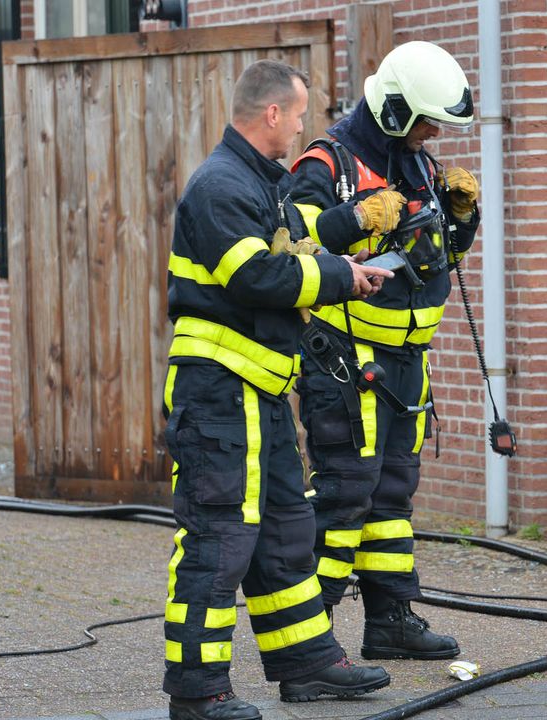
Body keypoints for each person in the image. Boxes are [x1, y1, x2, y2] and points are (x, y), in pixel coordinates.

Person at [160, 60, 395, 720]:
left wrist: (346, 256)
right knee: (218, 539)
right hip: (218, 396)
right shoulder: (220, 186)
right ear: (270, 114)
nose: (300, 127)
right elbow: (256, 277)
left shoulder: (259, 182)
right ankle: (198, 692)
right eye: (296, 115)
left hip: (257, 395)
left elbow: (295, 247)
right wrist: (340, 280)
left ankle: (307, 665)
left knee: (286, 531)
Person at [286, 40, 480, 661]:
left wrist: (461, 219)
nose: (434, 134)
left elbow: (438, 259)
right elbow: (291, 244)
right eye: (427, 121)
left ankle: (390, 620)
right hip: (346, 359)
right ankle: (309, 641)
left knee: (392, 493)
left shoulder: (417, 163)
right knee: (345, 492)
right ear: (397, 109)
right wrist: (356, 219)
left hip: (406, 363)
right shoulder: (328, 163)